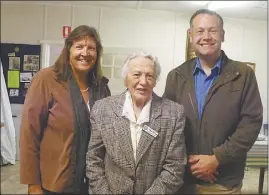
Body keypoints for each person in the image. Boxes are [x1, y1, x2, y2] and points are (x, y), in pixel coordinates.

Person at [163, 9, 263, 194]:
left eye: (213, 30)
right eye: (200, 31)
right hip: (180, 179)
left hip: (223, 181)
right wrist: (189, 162)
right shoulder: (176, 76)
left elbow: (251, 123)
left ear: (222, 35)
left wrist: (216, 158)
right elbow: (166, 126)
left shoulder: (242, 74)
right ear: (191, 35)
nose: (206, 37)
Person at [20, 25, 111, 194]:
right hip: (55, 182)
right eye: (79, 47)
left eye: (91, 48)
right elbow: (29, 134)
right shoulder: (47, 79)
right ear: (68, 50)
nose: (85, 53)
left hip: (93, 183)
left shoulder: (101, 87)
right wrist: (33, 184)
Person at [86, 51, 187, 194]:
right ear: (126, 79)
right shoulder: (102, 109)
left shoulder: (174, 113)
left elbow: (175, 168)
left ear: (155, 80)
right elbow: (93, 160)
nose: (143, 81)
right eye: (137, 74)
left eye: (149, 76)